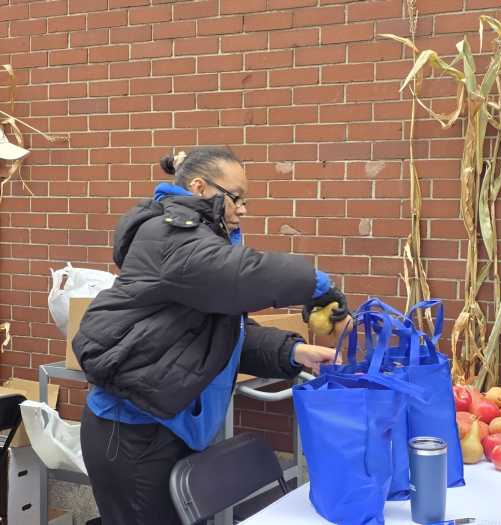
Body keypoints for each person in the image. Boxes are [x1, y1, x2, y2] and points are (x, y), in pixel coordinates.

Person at [73, 147, 349, 525]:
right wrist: (317, 285)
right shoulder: (169, 235)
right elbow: (243, 274)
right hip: (133, 434)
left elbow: (223, 334)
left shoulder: (202, 248)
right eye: (236, 197)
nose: (243, 208)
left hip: (169, 429)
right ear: (200, 187)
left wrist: (294, 352)